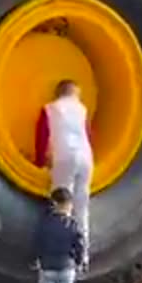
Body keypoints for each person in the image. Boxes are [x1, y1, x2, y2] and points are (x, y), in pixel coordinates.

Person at [35, 80, 93, 258]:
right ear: (74, 93)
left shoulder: (51, 108)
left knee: (60, 203)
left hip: (64, 156)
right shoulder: (82, 109)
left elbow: (42, 135)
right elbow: (89, 134)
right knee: (82, 205)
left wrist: (40, 161)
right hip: (85, 158)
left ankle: (57, 250)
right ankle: (83, 254)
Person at [28, 187, 86, 283]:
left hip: (47, 267)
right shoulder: (73, 225)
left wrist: (35, 259)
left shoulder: (45, 224)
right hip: (67, 267)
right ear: (69, 204)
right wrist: (79, 262)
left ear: (53, 203)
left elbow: (37, 243)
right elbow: (80, 245)